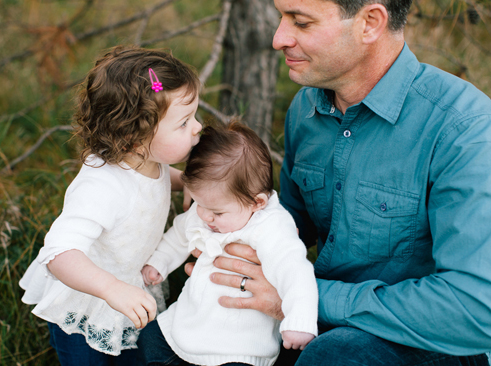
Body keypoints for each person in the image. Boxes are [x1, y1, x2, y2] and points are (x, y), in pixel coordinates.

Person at [191, 0, 491, 364]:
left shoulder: (463, 127)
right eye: (281, 19)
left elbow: (474, 309)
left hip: (429, 341)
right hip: (310, 321)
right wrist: (226, 255)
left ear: (370, 23)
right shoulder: (305, 109)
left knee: (336, 355)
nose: (278, 38)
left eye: (301, 23)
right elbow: (286, 230)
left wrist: (304, 296)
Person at [18, 46, 203, 365]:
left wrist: (189, 183)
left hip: (127, 287)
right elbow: (58, 254)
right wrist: (111, 289)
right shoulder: (102, 186)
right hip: (89, 295)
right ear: (135, 136)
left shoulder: (148, 159)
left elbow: (155, 181)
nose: (198, 127)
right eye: (184, 122)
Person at [137, 122, 316, 366]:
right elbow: (180, 233)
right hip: (190, 321)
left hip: (239, 344)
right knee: (151, 337)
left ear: (257, 203)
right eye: (200, 205)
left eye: (217, 213)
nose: (205, 216)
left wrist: (299, 320)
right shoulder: (209, 209)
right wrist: (159, 262)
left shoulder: (272, 227)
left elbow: (295, 272)